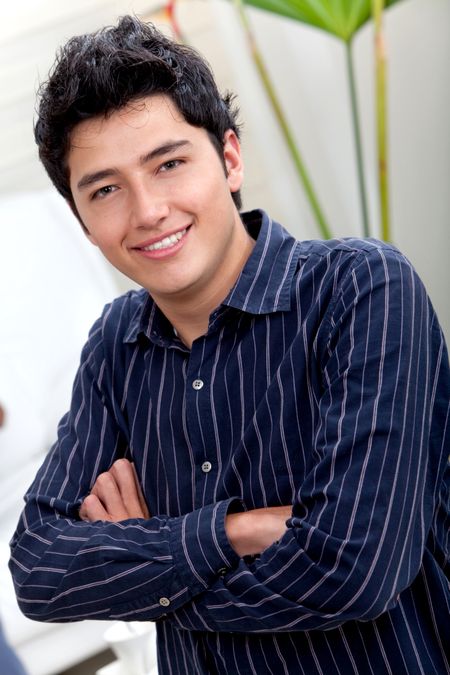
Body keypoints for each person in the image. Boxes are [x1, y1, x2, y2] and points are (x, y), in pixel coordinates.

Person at [9, 15, 449, 675]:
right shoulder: (114, 346)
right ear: (83, 221)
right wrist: (231, 532)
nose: (148, 209)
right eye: (105, 190)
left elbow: (354, 569)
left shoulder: (360, 290)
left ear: (230, 158)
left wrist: (143, 556)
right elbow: (39, 568)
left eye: (170, 163)